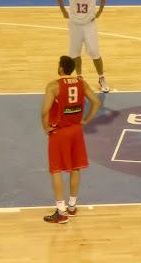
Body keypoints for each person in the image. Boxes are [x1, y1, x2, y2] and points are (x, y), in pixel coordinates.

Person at [41, 56, 101, 224]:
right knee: (75, 168)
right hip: (76, 131)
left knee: (56, 170)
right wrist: (87, 120)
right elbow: (96, 102)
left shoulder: (53, 86)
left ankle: (61, 212)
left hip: (59, 132)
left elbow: (44, 111)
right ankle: (72, 207)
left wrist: (45, 127)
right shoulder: (81, 83)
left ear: (61, 69)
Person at [56, 0, 110, 92]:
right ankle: (79, 77)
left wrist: (100, 11)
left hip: (89, 24)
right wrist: (63, 11)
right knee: (75, 53)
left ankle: (101, 78)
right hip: (75, 24)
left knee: (95, 52)